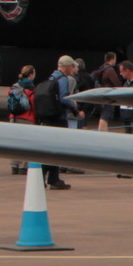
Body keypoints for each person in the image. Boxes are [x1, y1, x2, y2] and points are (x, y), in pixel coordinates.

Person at [31, 58, 79, 187]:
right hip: (58, 119)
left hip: (47, 118)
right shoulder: (63, 79)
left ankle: (50, 178)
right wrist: (73, 103)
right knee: (57, 149)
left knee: (49, 148)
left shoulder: (52, 78)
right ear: (67, 67)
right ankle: (52, 179)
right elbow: (63, 98)